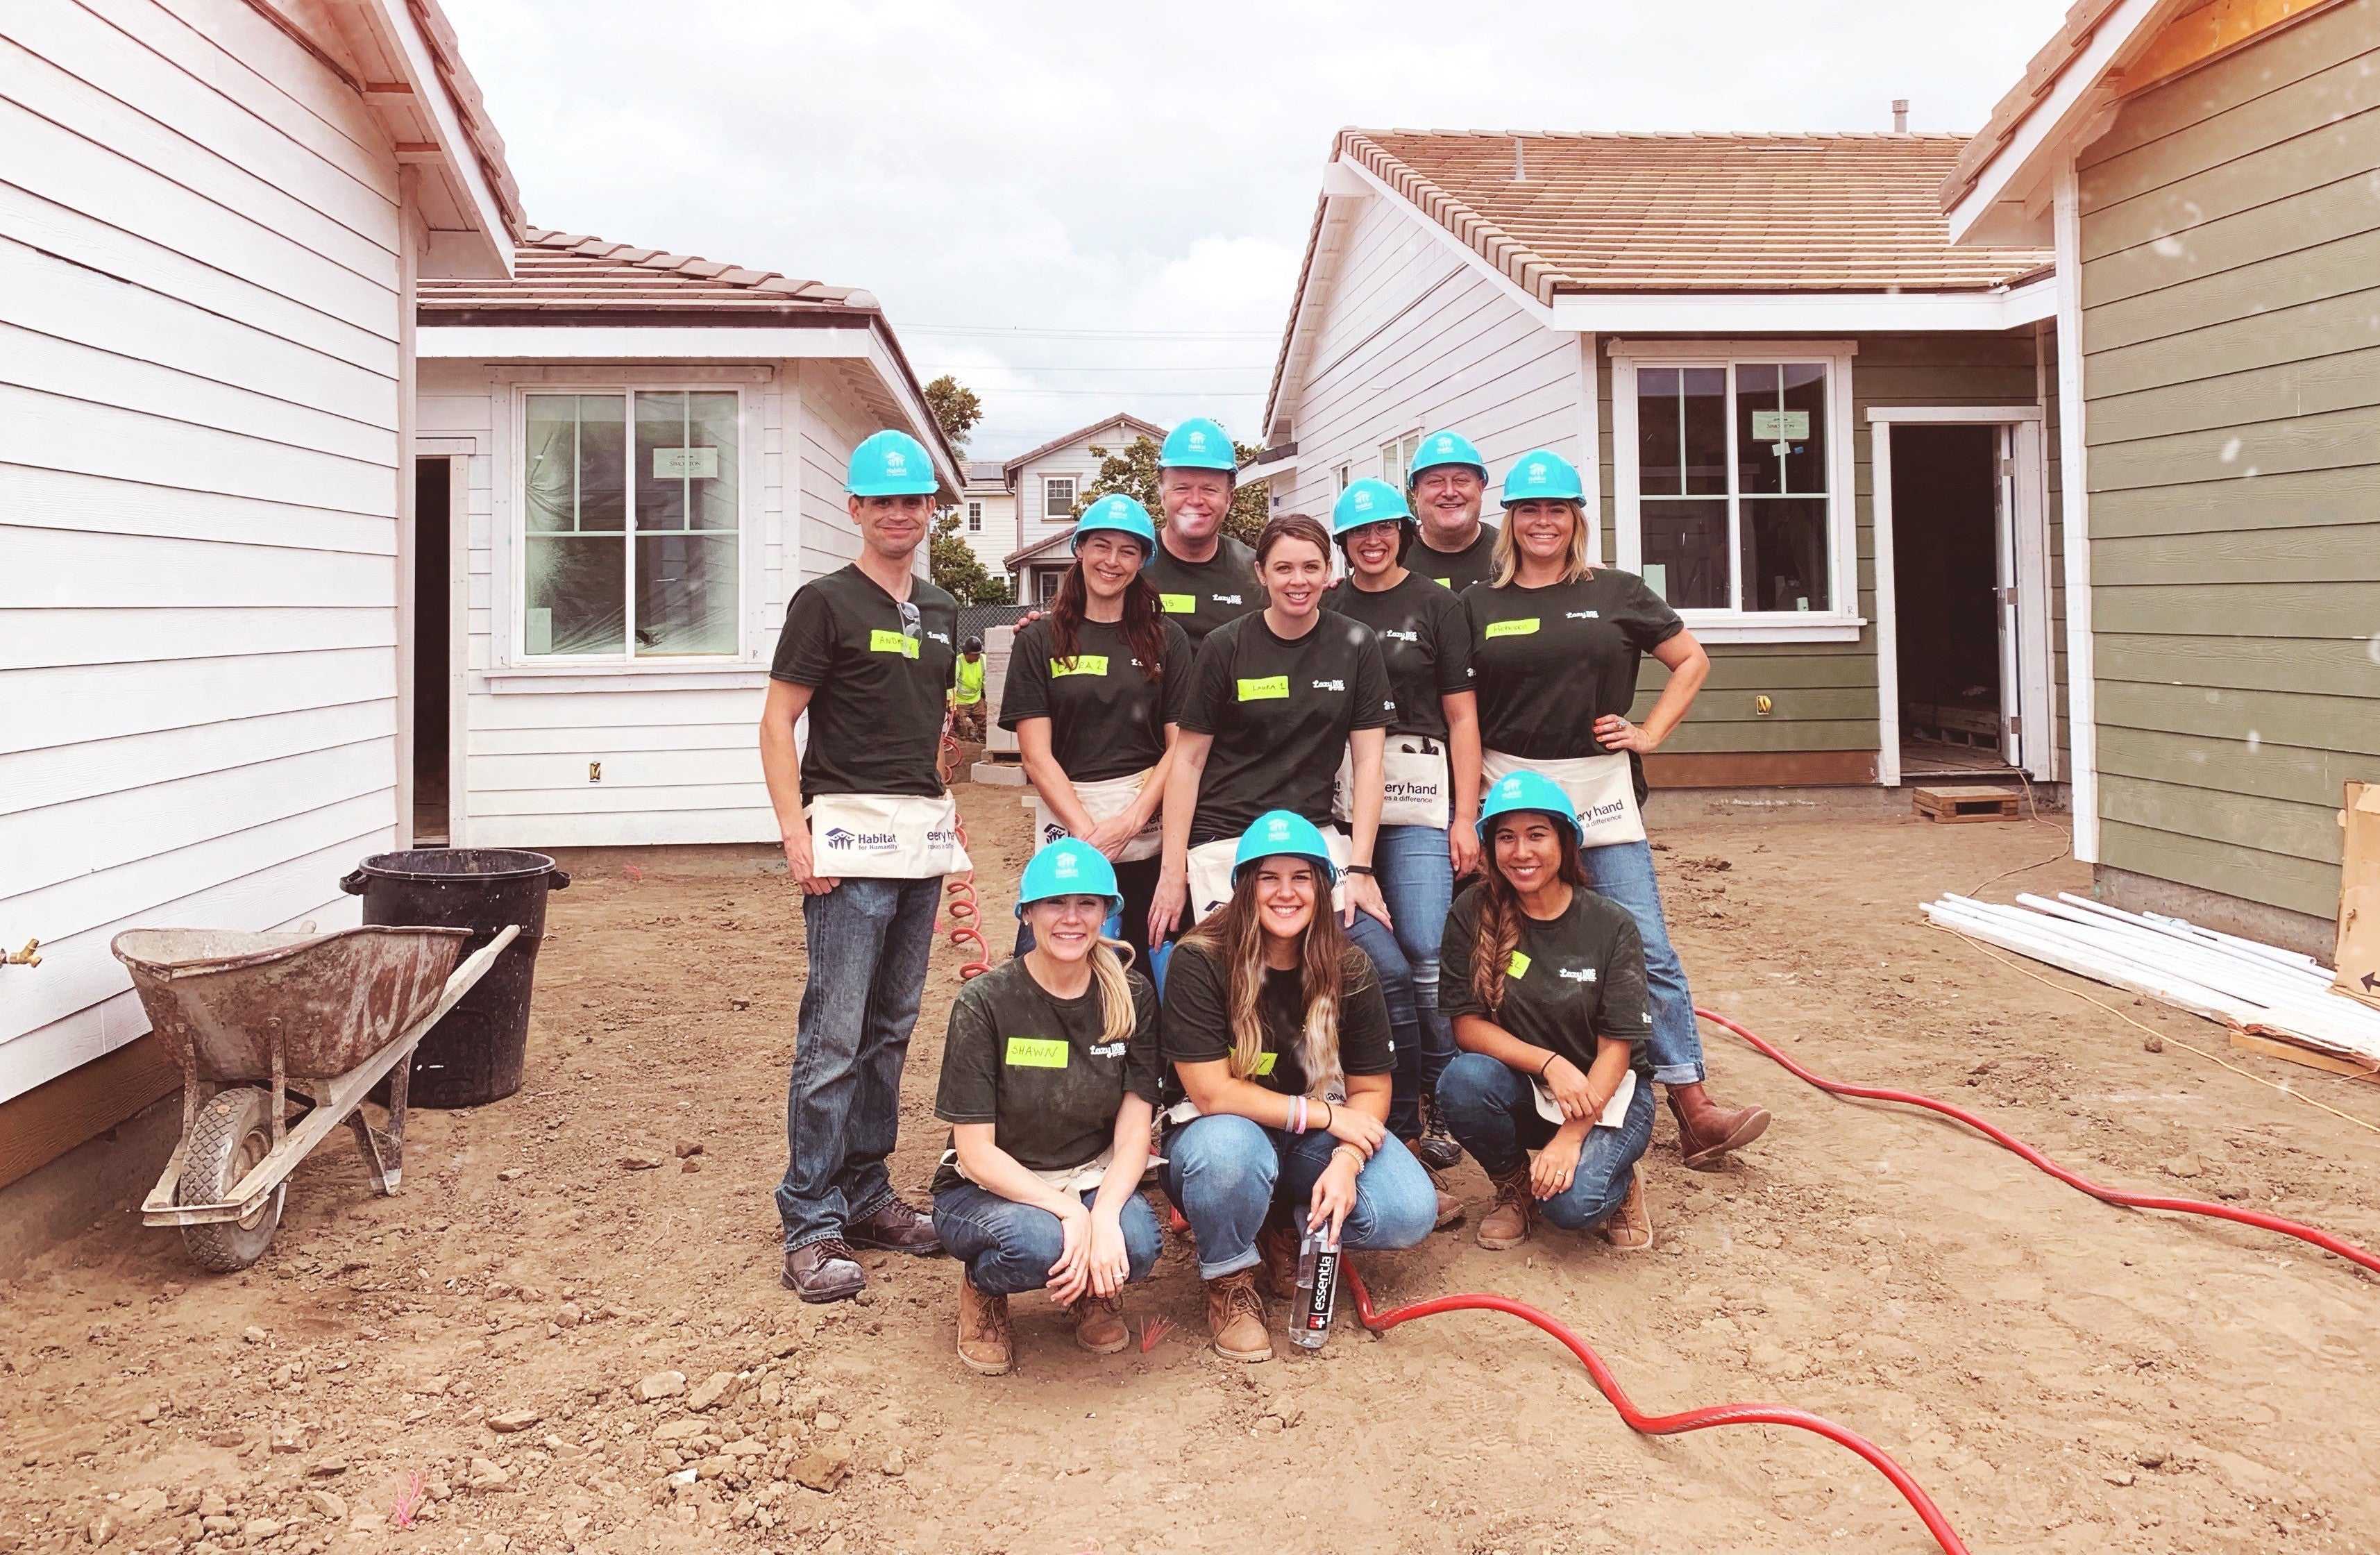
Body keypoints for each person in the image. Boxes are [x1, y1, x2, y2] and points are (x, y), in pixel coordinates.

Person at [1460, 448, 1771, 1169]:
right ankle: (1517, 1101)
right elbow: (1463, 713)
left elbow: (1692, 660)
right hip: (1511, 788)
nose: (1544, 522)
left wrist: (1651, 732)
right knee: (1506, 948)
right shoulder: (1477, 604)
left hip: (1598, 788)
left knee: (1646, 944)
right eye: (1530, 509)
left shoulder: (1620, 592)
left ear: (1577, 520)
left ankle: (1693, 1106)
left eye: (1557, 509)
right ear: (1511, 521)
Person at [1151, 511, 1454, 1228]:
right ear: (1260, 574)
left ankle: (1393, 1134)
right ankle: (1200, 1160)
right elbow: (1187, 760)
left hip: (1315, 846)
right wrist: (1171, 870)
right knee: (1220, 981)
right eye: (1283, 567)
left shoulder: (1355, 644)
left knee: (1385, 969)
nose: (1297, 580)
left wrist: (1360, 864)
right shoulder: (1224, 648)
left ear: (1330, 573)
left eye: (1310, 567)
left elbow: (1371, 760)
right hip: (1228, 844)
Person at [759, 428, 965, 1302]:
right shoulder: (825, 603)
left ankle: (867, 1190)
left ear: (930, 512)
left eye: (913, 500)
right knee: (834, 1033)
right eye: (883, 499)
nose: (899, 513)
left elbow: (943, 726)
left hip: (916, 840)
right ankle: (810, 1216)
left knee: (891, 1026)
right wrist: (793, 831)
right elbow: (777, 724)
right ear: (854, 507)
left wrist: (946, 773)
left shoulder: (946, 609)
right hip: (845, 841)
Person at [1160, 812, 1437, 1361]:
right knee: (1229, 1154)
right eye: (1268, 878)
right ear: (1243, 888)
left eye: (1301, 878)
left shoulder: (1349, 967)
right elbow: (1213, 1093)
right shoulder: (1201, 960)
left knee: (1405, 1210)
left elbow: (1370, 1090)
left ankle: (1280, 1223)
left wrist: (1346, 1163)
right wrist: (1331, 1121)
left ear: (1323, 888)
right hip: (1224, 1134)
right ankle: (1228, 1280)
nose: (1285, 893)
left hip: (1309, 1139)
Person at [930, 839, 1165, 1375]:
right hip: (989, 1187)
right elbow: (976, 1152)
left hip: (1088, 1174)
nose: (1071, 918)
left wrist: (1101, 1213)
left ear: (1107, 913)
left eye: (1087, 904)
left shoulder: (1130, 997)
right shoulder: (986, 1002)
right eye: (1055, 903)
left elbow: (1133, 1132)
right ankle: (982, 1290)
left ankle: (1092, 1289)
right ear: (1028, 913)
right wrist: (1067, 1214)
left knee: (1138, 1243)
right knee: (1038, 1243)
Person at [1322, 478, 1480, 1175]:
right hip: (1344, 800)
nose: (1373, 540)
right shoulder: (1325, 603)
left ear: (1403, 532)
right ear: (1344, 543)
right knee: (1360, 951)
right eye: (1359, 532)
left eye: (1385, 527)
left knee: (1422, 944)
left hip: (1419, 795)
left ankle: (1444, 1093)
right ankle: (1377, 1090)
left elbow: (1463, 716)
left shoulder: (1437, 605)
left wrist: (1466, 815)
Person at [1435, 769, 1657, 1250]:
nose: (1521, 852)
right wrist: (1549, 1064)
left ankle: (1619, 1180)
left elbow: (1618, 1050)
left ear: (1565, 842)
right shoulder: (1472, 912)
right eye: (1506, 838)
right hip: (1533, 1089)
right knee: (1462, 1081)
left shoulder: (1608, 923)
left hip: (1611, 1094)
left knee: (1571, 1208)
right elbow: (1467, 1027)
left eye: (1537, 835)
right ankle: (1515, 1187)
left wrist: (1571, 1137)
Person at [1001, 494, 1194, 969]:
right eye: (1101, 546)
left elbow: (1181, 749)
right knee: (1050, 971)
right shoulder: (1037, 640)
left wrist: (1128, 823)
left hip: (1147, 837)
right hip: (1069, 835)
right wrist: (1089, 838)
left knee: (1156, 975)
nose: (1112, 561)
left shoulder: (1167, 640)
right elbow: (1035, 756)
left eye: (1127, 551)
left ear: (1142, 561)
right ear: (1079, 550)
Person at [1137, 418, 1259, 652]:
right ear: (1162, 495)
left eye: (1209, 489)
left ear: (1229, 499)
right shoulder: (1130, 563)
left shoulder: (1255, 573)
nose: (1195, 501)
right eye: (1182, 488)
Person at [1406, 429, 1501, 593]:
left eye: (1461, 480)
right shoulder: (1394, 556)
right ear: (1415, 492)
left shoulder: (1511, 551)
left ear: (1481, 486)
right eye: (1435, 482)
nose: (1449, 492)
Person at [949, 635, 987, 742]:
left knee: (988, 725)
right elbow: (952, 686)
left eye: (980, 653)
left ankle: (984, 742)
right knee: (965, 729)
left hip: (976, 700)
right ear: (967, 654)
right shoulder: (957, 663)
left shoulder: (983, 660)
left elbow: (986, 681)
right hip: (961, 702)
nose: (979, 656)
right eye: (976, 654)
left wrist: (989, 700)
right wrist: (953, 707)